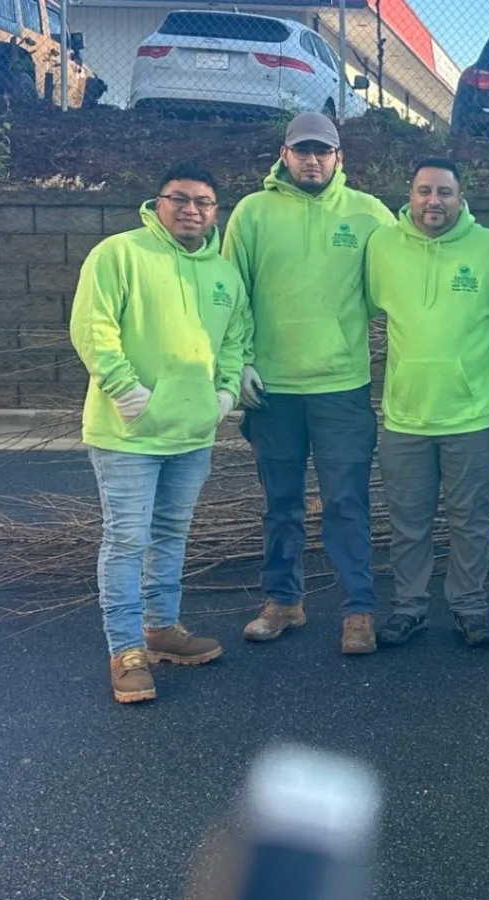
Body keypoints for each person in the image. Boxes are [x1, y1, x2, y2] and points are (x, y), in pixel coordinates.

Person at [70, 163, 249, 703]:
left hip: (192, 435)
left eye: (204, 202)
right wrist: (125, 389)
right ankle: (125, 649)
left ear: (216, 212)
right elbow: (92, 326)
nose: (192, 209)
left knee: (171, 535)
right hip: (129, 432)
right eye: (181, 199)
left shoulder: (224, 275)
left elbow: (239, 338)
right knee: (127, 538)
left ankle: (161, 628)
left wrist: (225, 393)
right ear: (159, 202)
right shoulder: (119, 254)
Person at [222, 113, 395, 655]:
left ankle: (358, 611)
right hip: (272, 389)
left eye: (323, 151)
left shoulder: (369, 215)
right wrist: (239, 365)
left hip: (341, 386)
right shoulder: (252, 213)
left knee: (347, 502)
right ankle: (283, 601)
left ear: (339, 156)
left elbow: (409, 264)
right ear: (285, 153)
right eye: (303, 151)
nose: (313, 160)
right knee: (281, 503)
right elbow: (233, 294)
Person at [365, 158, 489, 649]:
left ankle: (469, 606)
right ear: (410, 194)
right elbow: (357, 306)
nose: (433, 201)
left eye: (445, 192)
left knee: (470, 517)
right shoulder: (382, 245)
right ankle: (410, 607)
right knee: (408, 519)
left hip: (470, 412)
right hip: (405, 412)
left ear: (461, 199)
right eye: (424, 190)